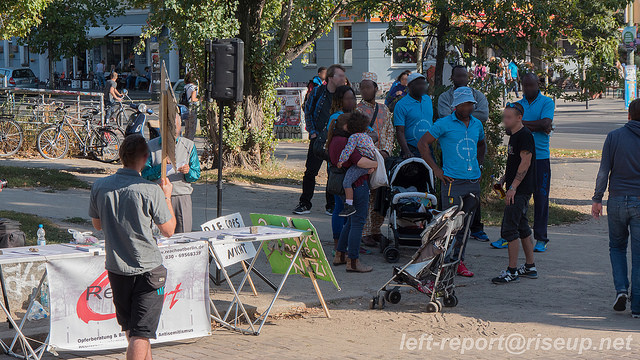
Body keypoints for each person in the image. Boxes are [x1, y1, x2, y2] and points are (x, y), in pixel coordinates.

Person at [89, 135, 176, 360]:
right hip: (147, 268)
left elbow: (97, 225)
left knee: (134, 330)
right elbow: (169, 230)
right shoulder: (149, 190)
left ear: (121, 156)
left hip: (117, 268)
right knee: (140, 333)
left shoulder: (100, 185)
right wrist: (167, 197)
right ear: (146, 157)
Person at [418, 86, 486, 277]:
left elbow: (481, 144)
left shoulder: (476, 124)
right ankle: (441, 262)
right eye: (465, 103)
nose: (469, 107)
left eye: (471, 103)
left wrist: (479, 165)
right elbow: (422, 144)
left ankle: (458, 262)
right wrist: (437, 170)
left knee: (465, 226)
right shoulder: (443, 124)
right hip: (452, 183)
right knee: (449, 225)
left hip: (473, 182)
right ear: (456, 105)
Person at [592, 98, 640, 318]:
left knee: (617, 247)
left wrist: (597, 199)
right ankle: (637, 306)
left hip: (617, 201)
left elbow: (604, 171)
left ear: (629, 115)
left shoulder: (614, 137)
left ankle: (621, 290)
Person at [438, 65, 490, 242]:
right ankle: (449, 239)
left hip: (471, 161)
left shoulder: (478, 96)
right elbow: (445, 115)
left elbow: (484, 114)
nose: (461, 79)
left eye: (464, 76)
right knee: (452, 205)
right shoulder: (445, 97)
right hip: (452, 159)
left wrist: (465, 109)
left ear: (468, 77)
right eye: (457, 76)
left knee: (472, 199)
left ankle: (475, 228)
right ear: (452, 78)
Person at [491, 102, 538, 284]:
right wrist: (504, 179)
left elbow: (525, 162)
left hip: (520, 191)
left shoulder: (524, 135)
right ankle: (530, 266)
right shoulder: (514, 135)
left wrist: (513, 187)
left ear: (519, 118)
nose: (505, 120)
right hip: (515, 188)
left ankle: (512, 271)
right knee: (522, 228)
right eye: (505, 116)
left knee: (509, 229)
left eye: (509, 117)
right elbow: (515, 163)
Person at [293, 64, 346, 215]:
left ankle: (331, 205)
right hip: (318, 139)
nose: (343, 79)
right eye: (340, 76)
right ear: (330, 78)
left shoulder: (344, 94)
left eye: (343, 75)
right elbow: (308, 112)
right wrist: (313, 132)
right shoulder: (318, 91)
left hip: (336, 141)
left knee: (333, 172)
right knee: (310, 171)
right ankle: (304, 203)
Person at [328, 112, 378, 272]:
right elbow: (360, 161)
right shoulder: (347, 141)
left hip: (343, 187)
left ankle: (340, 255)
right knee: (358, 223)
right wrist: (378, 163)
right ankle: (353, 261)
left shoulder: (334, 139)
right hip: (357, 185)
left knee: (350, 222)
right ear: (347, 126)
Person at [142, 113, 201, 233]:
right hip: (158, 196)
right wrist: (161, 167)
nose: (172, 130)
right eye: (168, 126)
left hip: (181, 196)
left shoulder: (188, 146)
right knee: (158, 235)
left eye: (175, 126)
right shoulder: (150, 146)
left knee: (183, 235)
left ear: (180, 127)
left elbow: (196, 175)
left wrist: (188, 172)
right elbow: (145, 174)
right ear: (161, 127)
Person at [357, 72, 394, 247]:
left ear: (376, 88)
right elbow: (356, 136)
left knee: (381, 195)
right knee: (366, 196)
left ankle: (376, 230)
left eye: (368, 87)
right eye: (362, 87)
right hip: (365, 159)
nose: (364, 90)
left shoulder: (384, 109)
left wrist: (386, 151)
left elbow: (389, 132)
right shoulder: (357, 110)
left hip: (383, 159)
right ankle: (364, 233)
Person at [326, 85, 357, 249]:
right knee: (341, 207)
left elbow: (373, 134)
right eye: (347, 98)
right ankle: (339, 244)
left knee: (349, 208)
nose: (351, 101)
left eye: (353, 98)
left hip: (354, 170)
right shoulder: (337, 118)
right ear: (339, 100)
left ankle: (347, 243)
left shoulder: (355, 116)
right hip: (340, 170)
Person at [337, 112, 377, 217]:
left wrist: (341, 160)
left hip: (361, 164)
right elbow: (373, 150)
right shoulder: (367, 137)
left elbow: (348, 150)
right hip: (369, 162)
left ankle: (349, 205)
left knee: (347, 182)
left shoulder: (354, 137)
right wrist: (372, 165)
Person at [394, 73, 433, 158]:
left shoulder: (427, 100)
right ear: (410, 86)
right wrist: (406, 151)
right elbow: (400, 131)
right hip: (412, 149)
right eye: (418, 84)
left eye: (423, 83)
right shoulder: (401, 105)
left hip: (428, 148)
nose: (422, 86)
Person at [183, 72, 199, 140]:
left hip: (185, 108)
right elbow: (193, 99)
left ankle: (184, 144)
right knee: (192, 128)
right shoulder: (194, 88)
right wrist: (200, 99)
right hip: (192, 108)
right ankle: (190, 144)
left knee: (187, 128)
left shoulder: (186, 86)